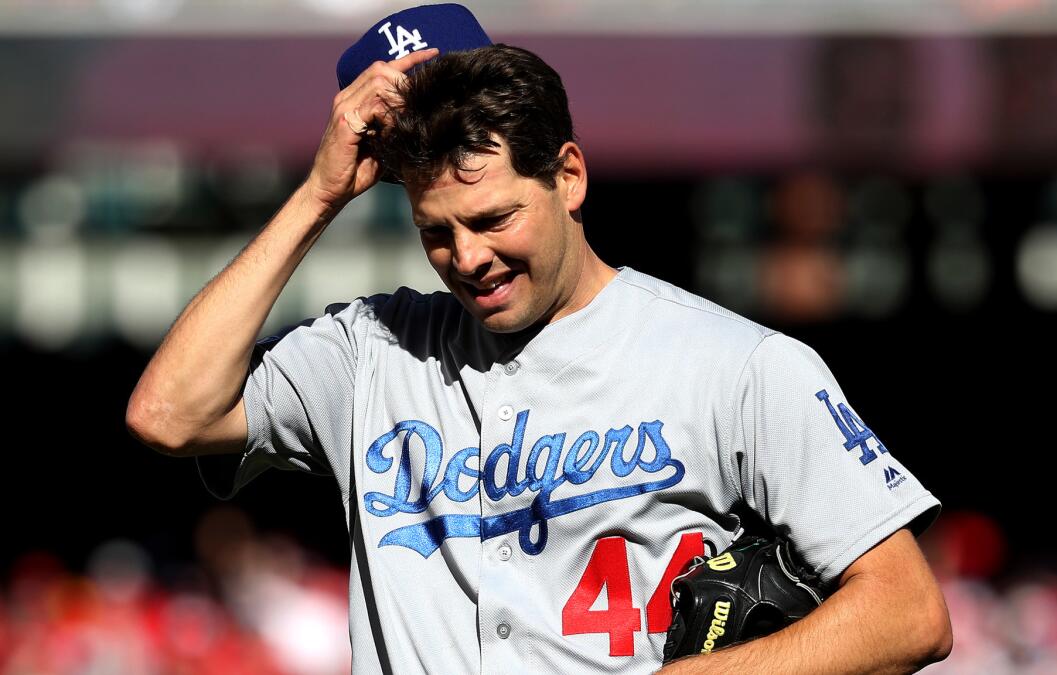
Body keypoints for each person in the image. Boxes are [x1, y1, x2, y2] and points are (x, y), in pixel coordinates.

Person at [127, 5, 952, 673]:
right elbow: (169, 413)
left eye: (493, 219)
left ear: (569, 176)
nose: (470, 257)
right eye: (436, 232)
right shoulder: (369, 350)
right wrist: (317, 194)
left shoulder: (739, 364)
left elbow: (907, 610)